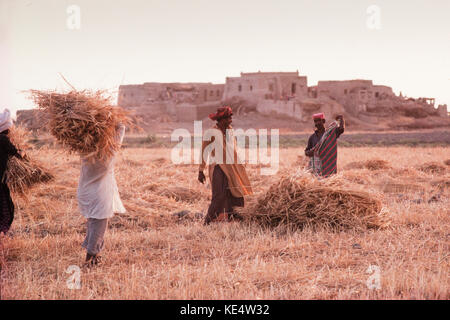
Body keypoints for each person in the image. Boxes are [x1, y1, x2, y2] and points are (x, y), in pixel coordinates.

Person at [77, 124, 126, 267]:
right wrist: (112, 123)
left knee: (93, 224)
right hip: (100, 196)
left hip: (86, 193)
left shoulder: (85, 152)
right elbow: (120, 132)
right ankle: (90, 258)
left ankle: (94, 254)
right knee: (99, 226)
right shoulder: (106, 156)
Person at [198, 106, 253, 225]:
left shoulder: (230, 131)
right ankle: (208, 222)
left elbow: (233, 149)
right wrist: (200, 170)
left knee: (236, 192)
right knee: (219, 195)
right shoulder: (211, 133)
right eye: (228, 118)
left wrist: (240, 163)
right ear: (222, 119)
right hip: (218, 167)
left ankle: (237, 220)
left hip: (232, 168)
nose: (230, 120)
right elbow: (204, 151)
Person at [0, 109, 22, 235]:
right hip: (0, 181)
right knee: (6, 208)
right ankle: (3, 232)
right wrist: (22, 153)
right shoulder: (3, 139)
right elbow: (17, 153)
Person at [305, 113, 345, 177]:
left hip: (329, 168)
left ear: (323, 121)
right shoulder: (312, 137)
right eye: (315, 121)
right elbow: (306, 152)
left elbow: (341, 129)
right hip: (316, 171)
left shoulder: (330, 133)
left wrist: (341, 119)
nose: (317, 123)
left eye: (318, 121)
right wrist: (311, 152)